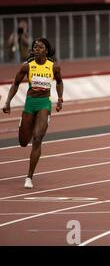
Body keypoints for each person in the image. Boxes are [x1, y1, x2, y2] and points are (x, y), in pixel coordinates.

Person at [2, 38, 64, 189]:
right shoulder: (27, 66)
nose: (36, 48)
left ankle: (29, 177)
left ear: (46, 51)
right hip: (30, 103)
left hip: (44, 104)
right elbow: (16, 83)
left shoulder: (54, 66)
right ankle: (24, 125)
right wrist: (8, 101)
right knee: (23, 142)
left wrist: (60, 98)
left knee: (37, 138)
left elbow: (59, 81)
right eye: (35, 46)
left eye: (40, 47)